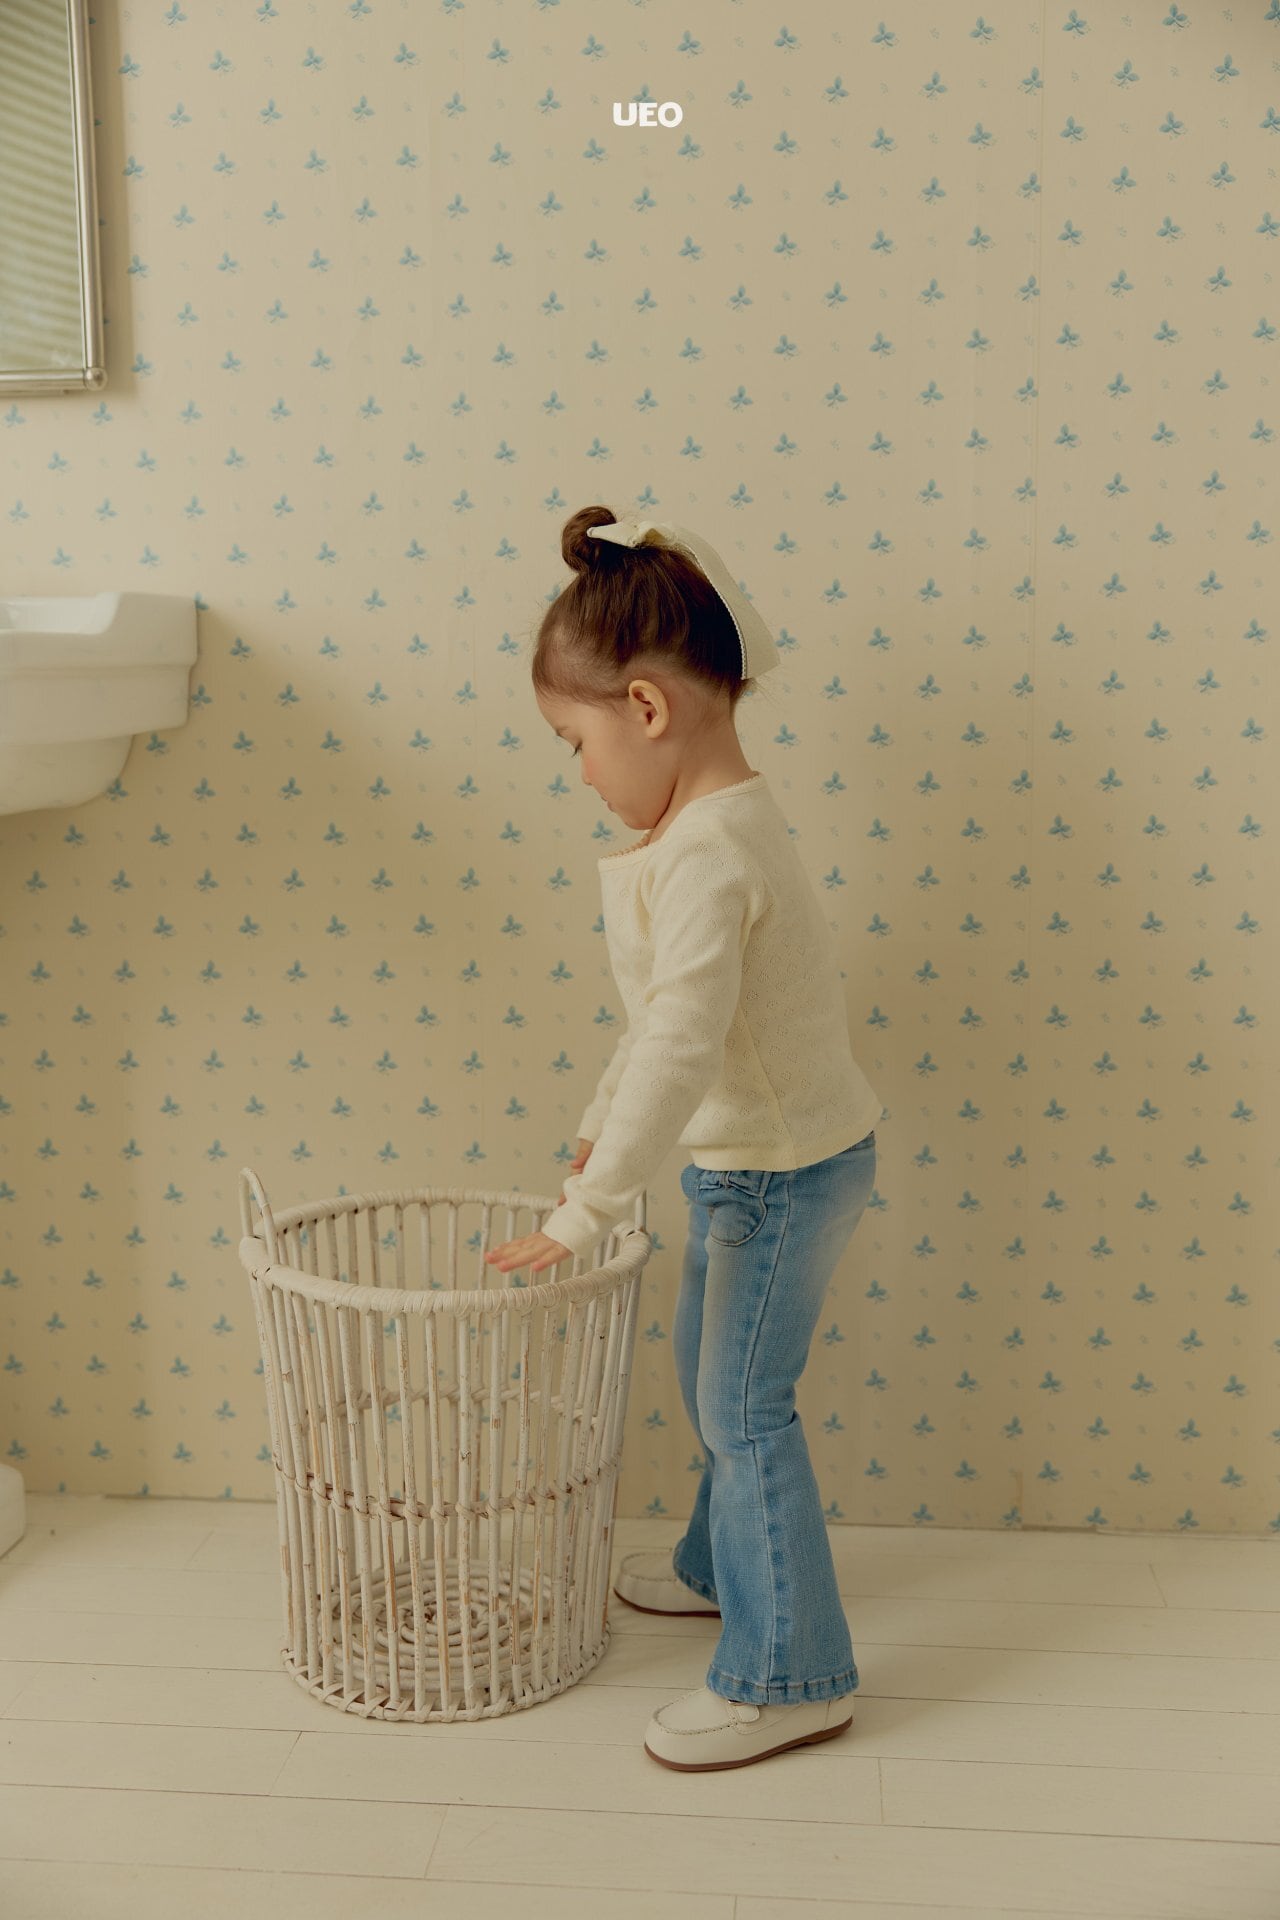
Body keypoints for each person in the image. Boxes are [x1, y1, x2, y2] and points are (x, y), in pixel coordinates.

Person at [483, 504, 882, 1771]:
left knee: (743, 1409)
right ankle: (719, 1565)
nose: (580, 775)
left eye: (575, 743)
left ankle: (789, 1675)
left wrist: (587, 1207)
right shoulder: (712, 827)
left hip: (776, 1177)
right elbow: (662, 1023)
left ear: (646, 710)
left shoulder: (708, 855)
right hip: (757, 1165)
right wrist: (598, 1130)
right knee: (711, 1384)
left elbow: (679, 1044)